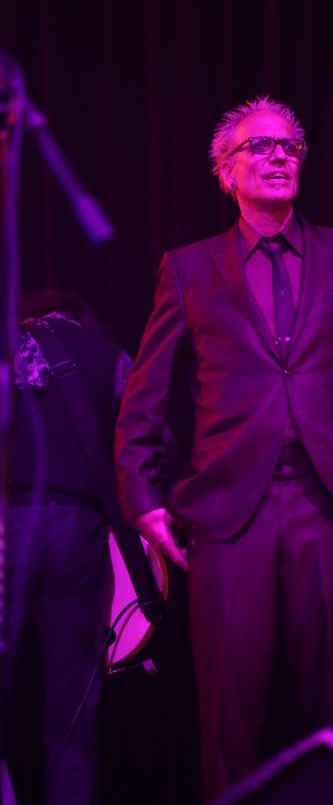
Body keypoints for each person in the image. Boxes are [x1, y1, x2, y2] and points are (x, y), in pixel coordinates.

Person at [115, 95, 333, 800]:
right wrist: (142, 501)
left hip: (330, 506)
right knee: (231, 706)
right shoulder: (189, 268)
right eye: (260, 146)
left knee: (331, 705)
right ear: (226, 171)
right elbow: (144, 397)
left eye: (291, 145)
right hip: (229, 517)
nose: (280, 155)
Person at [4, 290, 131, 805]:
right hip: (76, 527)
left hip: (5, 522)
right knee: (72, 715)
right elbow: (143, 442)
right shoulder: (109, 356)